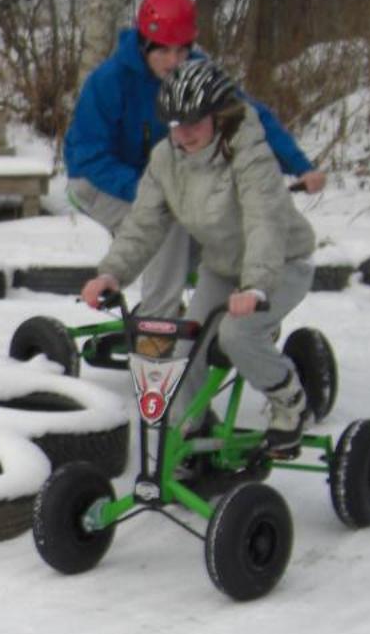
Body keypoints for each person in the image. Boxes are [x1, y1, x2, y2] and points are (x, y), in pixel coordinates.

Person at [81, 57, 316, 454]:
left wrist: (257, 286)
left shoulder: (250, 154)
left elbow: (264, 222)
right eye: (175, 124)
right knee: (183, 347)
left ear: (219, 116)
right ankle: (191, 432)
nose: (184, 134)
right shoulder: (166, 160)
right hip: (223, 267)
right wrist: (111, 274)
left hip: (280, 264)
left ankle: (290, 402)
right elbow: (144, 223)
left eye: (194, 122)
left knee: (237, 335)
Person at [65, 0, 323, 318]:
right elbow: (87, 156)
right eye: (163, 52)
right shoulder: (109, 81)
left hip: (160, 178)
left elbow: (246, 115)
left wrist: (301, 166)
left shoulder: (198, 74)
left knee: (218, 210)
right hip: (97, 182)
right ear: (145, 45)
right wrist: (159, 190)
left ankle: (219, 314)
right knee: (168, 220)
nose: (173, 62)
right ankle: (158, 318)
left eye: (181, 51)